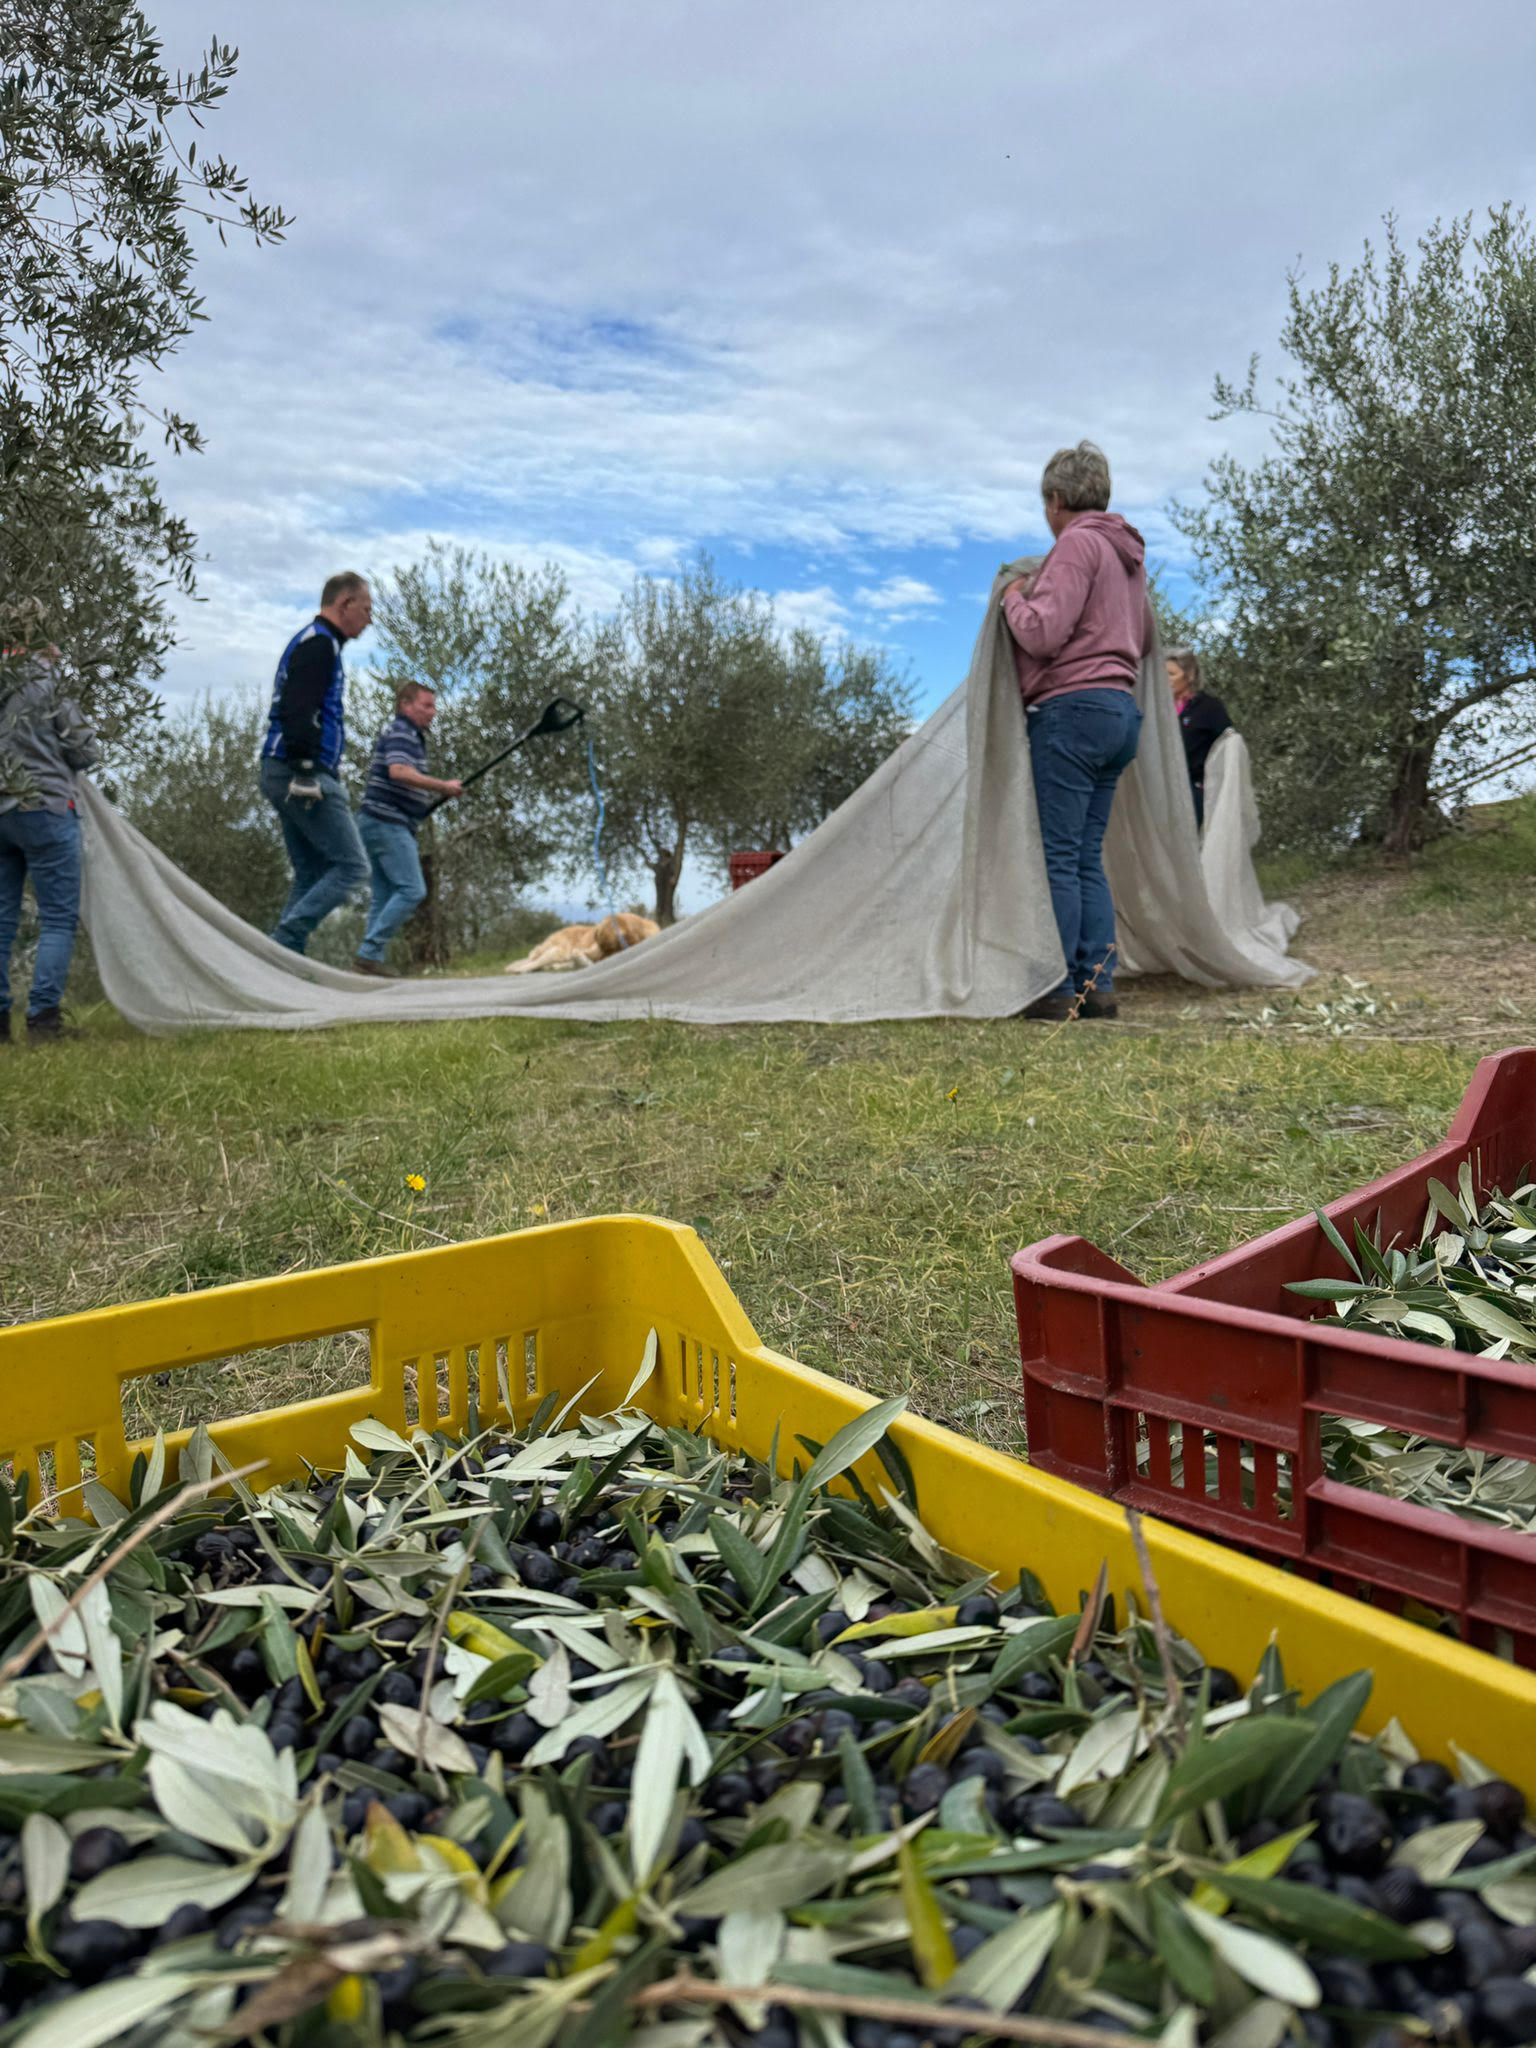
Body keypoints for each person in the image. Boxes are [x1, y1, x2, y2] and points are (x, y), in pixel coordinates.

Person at [1002, 441, 1154, 1022]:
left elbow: (1042, 634)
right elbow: (1138, 639)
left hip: (1072, 711)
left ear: (1057, 499)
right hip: (1119, 712)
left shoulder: (1077, 544)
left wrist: (1013, 599)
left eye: (1045, 505)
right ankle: (1099, 986)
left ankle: (1058, 986)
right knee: (1087, 856)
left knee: (1060, 857)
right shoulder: (1128, 557)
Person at [259, 572, 373, 953]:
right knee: (353, 867)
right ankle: (282, 942)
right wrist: (306, 770)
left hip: (283, 769)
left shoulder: (319, 644)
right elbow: (298, 708)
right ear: (345, 604)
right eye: (366, 608)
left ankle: (283, 966)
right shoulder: (319, 646)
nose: (369, 619)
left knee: (310, 872)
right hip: (299, 772)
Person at [0, 642, 101, 1041]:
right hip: (45, 808)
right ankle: (43, 1021)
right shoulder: (49, 684)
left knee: (2, 918)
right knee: (58, 918)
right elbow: (84, 749)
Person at [353, 681, 462, 976]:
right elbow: (398, 771)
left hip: (375, 821)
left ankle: (369, 962)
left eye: (434, 706)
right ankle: (368, 953)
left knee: (384, 894)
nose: (433, 712)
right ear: (405, 705)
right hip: (387, 822)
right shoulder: (403, 732)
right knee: (412, 890)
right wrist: (443, 786)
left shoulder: (405, 733)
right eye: (426, 705)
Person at [1167, 647, 1232, 829]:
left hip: (1194, 789)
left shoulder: (1209, 707)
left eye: (1171, 674)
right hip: (1161, 788)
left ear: (1189, 675)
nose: (1165, 680)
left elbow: (1227, 744)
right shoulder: (1159, 709)